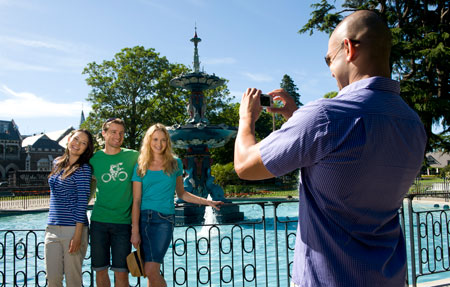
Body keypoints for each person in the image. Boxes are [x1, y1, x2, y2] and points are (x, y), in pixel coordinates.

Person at [234, 10, 427, 287]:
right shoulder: (412, 123)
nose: (330, 70)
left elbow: (244, 165)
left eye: (329, 59)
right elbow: (344, 155)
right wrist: (296, 117)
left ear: (347, 49)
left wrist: (246, 120)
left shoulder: (325, 116)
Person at [130, 123, 223, 287]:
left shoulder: (175, 163)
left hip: (164, 221)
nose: (159, 144)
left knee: (151, 270)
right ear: (149, 141)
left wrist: (208, 202)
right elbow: (136, 201)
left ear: (167, 142)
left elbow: (182, 194)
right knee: (151, 272)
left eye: (163, 140)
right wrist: (135, 230)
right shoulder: (140, 165)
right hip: (143, 220)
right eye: (155, 139)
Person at [89, 118, 139, 287]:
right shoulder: (93, 159)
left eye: (121, 133)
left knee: (122, 274)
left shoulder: (133, 156)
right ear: (103, 133)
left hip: (123, 224)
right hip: (98, 222)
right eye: (113, 132)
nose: (118, 136)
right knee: (101, 272)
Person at [45, 129, 94, 287]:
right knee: (52, 280)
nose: (78, 144)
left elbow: (82, 202)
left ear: (86, 148)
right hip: (52, 229)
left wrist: (78, 234)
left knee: (73, 282)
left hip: (73, 229)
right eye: (76, 139)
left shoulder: (84, 169)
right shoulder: (57, 162)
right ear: (68, 139)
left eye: (83, 143)